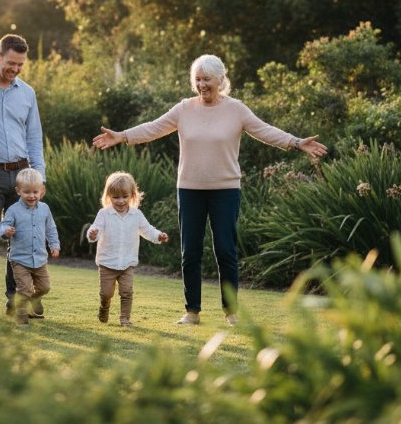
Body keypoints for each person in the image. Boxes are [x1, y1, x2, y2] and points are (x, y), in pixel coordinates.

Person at [92, 54, 328, 326]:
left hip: (225, 191)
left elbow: (264, 131)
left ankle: (232, 312)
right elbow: (153, 128)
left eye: (207, 79)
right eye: (198, 79)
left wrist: (297, 142)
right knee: (189, 252)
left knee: (225, 251)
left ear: (220, 80)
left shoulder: (236, 110)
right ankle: (192, 311)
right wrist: (122, 136)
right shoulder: (184, 109)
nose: (202, 85)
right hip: (189, 190)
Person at [0, 34, 46, 317]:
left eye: (20, 65)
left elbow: (34, 137)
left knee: (21, 241)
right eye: (11, 63)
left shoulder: (27, 93)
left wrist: (39, 178)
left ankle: (16, 302)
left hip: (21, 174)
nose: (15, 69)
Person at [86, 171, 169, 327]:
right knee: (106, 293)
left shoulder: (136, 215)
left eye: (125, 196)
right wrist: (92, 234)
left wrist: (158, 236)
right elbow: (95, 230)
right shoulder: (104, 214)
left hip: (127, 263)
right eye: (115, 197)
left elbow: (147, 230)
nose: (121, 201)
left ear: (132, 195)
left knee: (126, 292)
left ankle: (125, 319)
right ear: (108, 196)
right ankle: (104, 307)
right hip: (107, 263)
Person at [0, 168, 60, 326]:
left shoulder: (45, 209)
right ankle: (21, 316)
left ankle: (34, 300)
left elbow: (51, 229)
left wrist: (54, 245)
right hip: (19, 259)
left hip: (40, 258)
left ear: (42, 191)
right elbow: (2, 226)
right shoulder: (13, 210)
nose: (31, 196)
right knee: (24, 289)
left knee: (44, 287)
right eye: (27, 192)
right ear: (18, 191)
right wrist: (6, 231)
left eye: (35, 192)